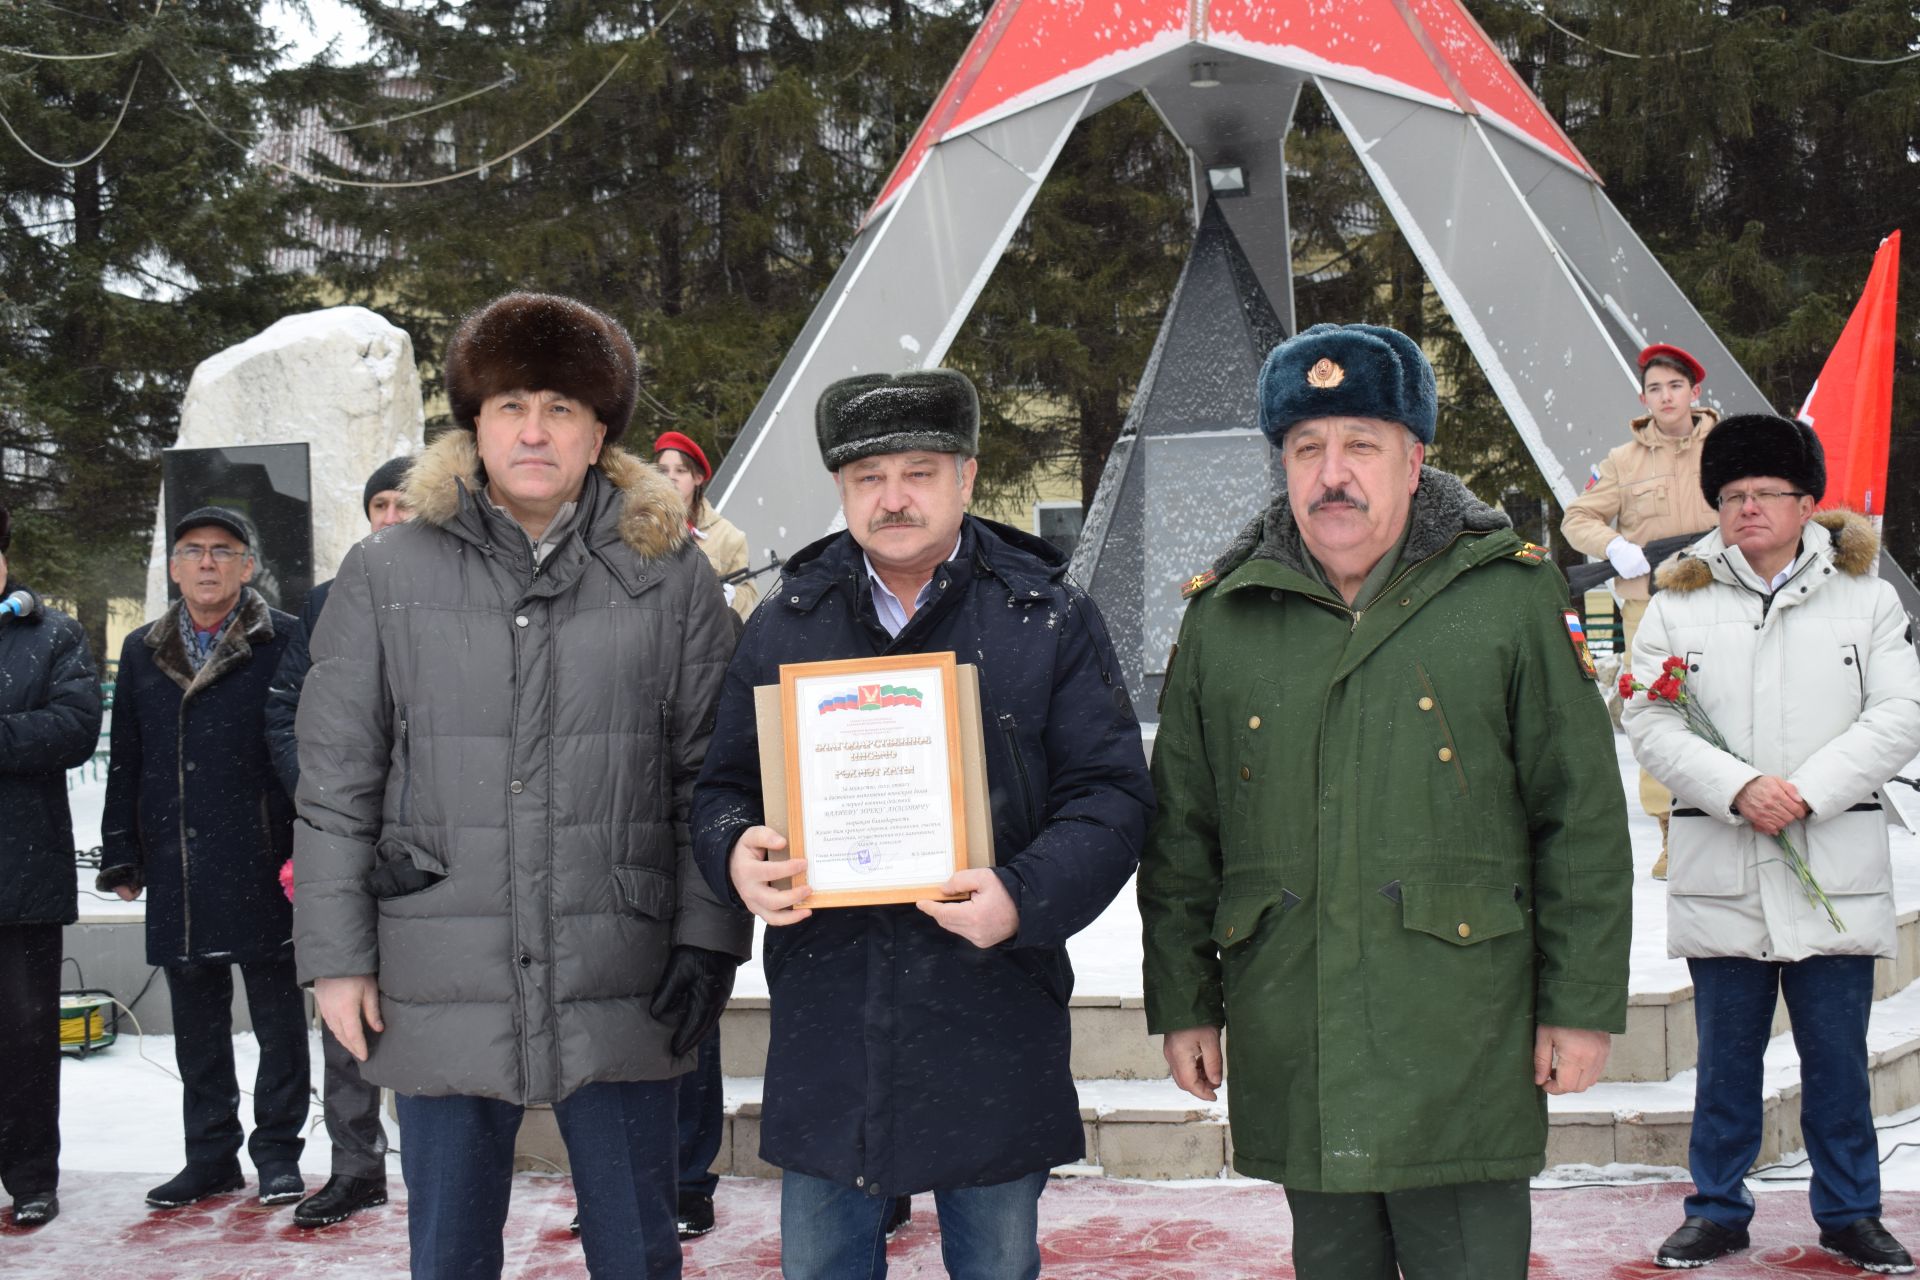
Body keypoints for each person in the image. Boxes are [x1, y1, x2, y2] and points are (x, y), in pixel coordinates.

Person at [1140, 323, 1633, 1279]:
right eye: (1306, 449)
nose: (1334, 473)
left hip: (1461, 1034)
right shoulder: (1225, 615)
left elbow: (1576, 816)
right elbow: (1182, 838)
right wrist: (1184, 1002)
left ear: (1416, 461)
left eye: (1361, 445)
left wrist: (1580, 1006)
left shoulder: (1506, 596)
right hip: (1297, 1031)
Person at [292, 292, 749, 1280]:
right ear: (476, 425)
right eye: (510, 405)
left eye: (561, 407)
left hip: (619, 961)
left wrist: (708, 934)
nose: (534, 429)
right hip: (441, 957)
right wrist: (336, 955)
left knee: (637, 1245)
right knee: (450, 1248)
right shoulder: (386, 571)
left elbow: (710, 773)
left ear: (598, 433)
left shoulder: (669, 576)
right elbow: (336, 779)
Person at [692, 368, 1153, 1280]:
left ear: (967, 477)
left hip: (991, 1005)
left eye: (919, 472)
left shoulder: (1046, 616)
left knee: (995, 1265)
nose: (893, 498)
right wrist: (737, 854)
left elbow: (1111, 798)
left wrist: (1021, 897)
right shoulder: (788, 621)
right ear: (841, 490)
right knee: (823, 1267)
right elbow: (721, 790)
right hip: (833, 1017)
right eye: (869, 478)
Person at [1625, 414, 1920, 1272]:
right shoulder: (1676, 601)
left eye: (1764, 495)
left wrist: (1808, 792)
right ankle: (1716, 1208)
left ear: (1805, 504)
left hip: (1829, 856)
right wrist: (1736, 787)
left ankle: (1850, 1211)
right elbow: (1647, 713)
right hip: (1724, 865)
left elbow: (1899, 714)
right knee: (1724, 1065)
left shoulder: (1864, 597)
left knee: (1837, 1062)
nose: (1746, 509)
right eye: (1731, 496)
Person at [97, 507, 310, 1210]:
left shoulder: (282, 640)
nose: (209, 563)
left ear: (249, 566)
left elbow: (302, 746)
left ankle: (278, 1154)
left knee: (279, 1018)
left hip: (265, 855)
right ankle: (209, 1154)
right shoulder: (141, 649)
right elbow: (126, 759)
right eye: (193, 551)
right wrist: (123, 855)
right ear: (175, 567)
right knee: (198, 1020)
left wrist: (309, 842)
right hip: (179, 859)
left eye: (224, 551)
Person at [264, 456, 412, 1228]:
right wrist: (329, 799)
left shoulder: (465, 598)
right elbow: (287, 710)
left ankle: (438, 1165)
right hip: (347, 844)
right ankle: (355, 1165)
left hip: (432, 844)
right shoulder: (327, 602)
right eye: (380, 504)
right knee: (343, 1001)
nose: (391, 516)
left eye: (406, 503)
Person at [1562, 343, 1721, 878]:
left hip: (1720, 598)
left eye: (1675, 386)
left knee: (1726, 701)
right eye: (1655, 388)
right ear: (1643, 397)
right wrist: (1612, 547)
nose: (1666, 396)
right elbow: (1576, 517)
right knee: (1655, 708)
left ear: (1694, 392)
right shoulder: (1621, 461)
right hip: (1648, 607)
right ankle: (1672, 833)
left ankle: (1728, 818)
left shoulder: (1726, 448)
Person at [0, 506, 104, 1228]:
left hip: (22, 873)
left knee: (27, 1035)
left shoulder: (51, 632)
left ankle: (31, 1175)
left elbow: (72, 728)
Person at [654, 430, 758, 624]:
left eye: (681, 470)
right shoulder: (637, 526)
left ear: (698, 478)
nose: (671, 477)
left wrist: (731, 599)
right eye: (663, 471)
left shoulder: (729, 536)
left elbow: (749, 592)